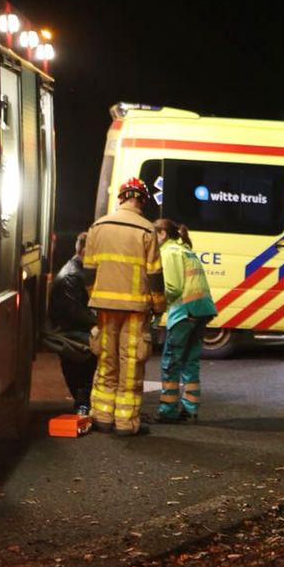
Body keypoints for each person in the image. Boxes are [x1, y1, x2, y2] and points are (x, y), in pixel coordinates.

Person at [81, 177, 166, 436]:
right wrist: (159, 306)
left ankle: (103, 417)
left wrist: (94, 297)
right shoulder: (146, 230)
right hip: (135, 309)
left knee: (106, 360)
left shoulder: (98, 226)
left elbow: (88, 271)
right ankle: (126, 423)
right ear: (142, 201)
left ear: (121, 198)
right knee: (130, 364)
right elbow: (154, 276)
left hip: (104, 308)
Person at [153, 218, 217, 424]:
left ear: (162, 234)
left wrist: (156, 306)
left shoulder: (169, 253)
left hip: (184, 312)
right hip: (201, 311)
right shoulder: (186, 250)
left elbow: (173, 287)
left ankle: (168, 410)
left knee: (171, 362)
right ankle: (190, 409)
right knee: (190, 361)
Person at [47, 231, 99, 414]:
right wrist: (97, 325)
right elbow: (76, 311)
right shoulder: (72, 276)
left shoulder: (75, 271)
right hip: (68, 331)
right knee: (96, 352)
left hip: (71, 327)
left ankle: (85, 402)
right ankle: (83, 403)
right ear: (85, 251)